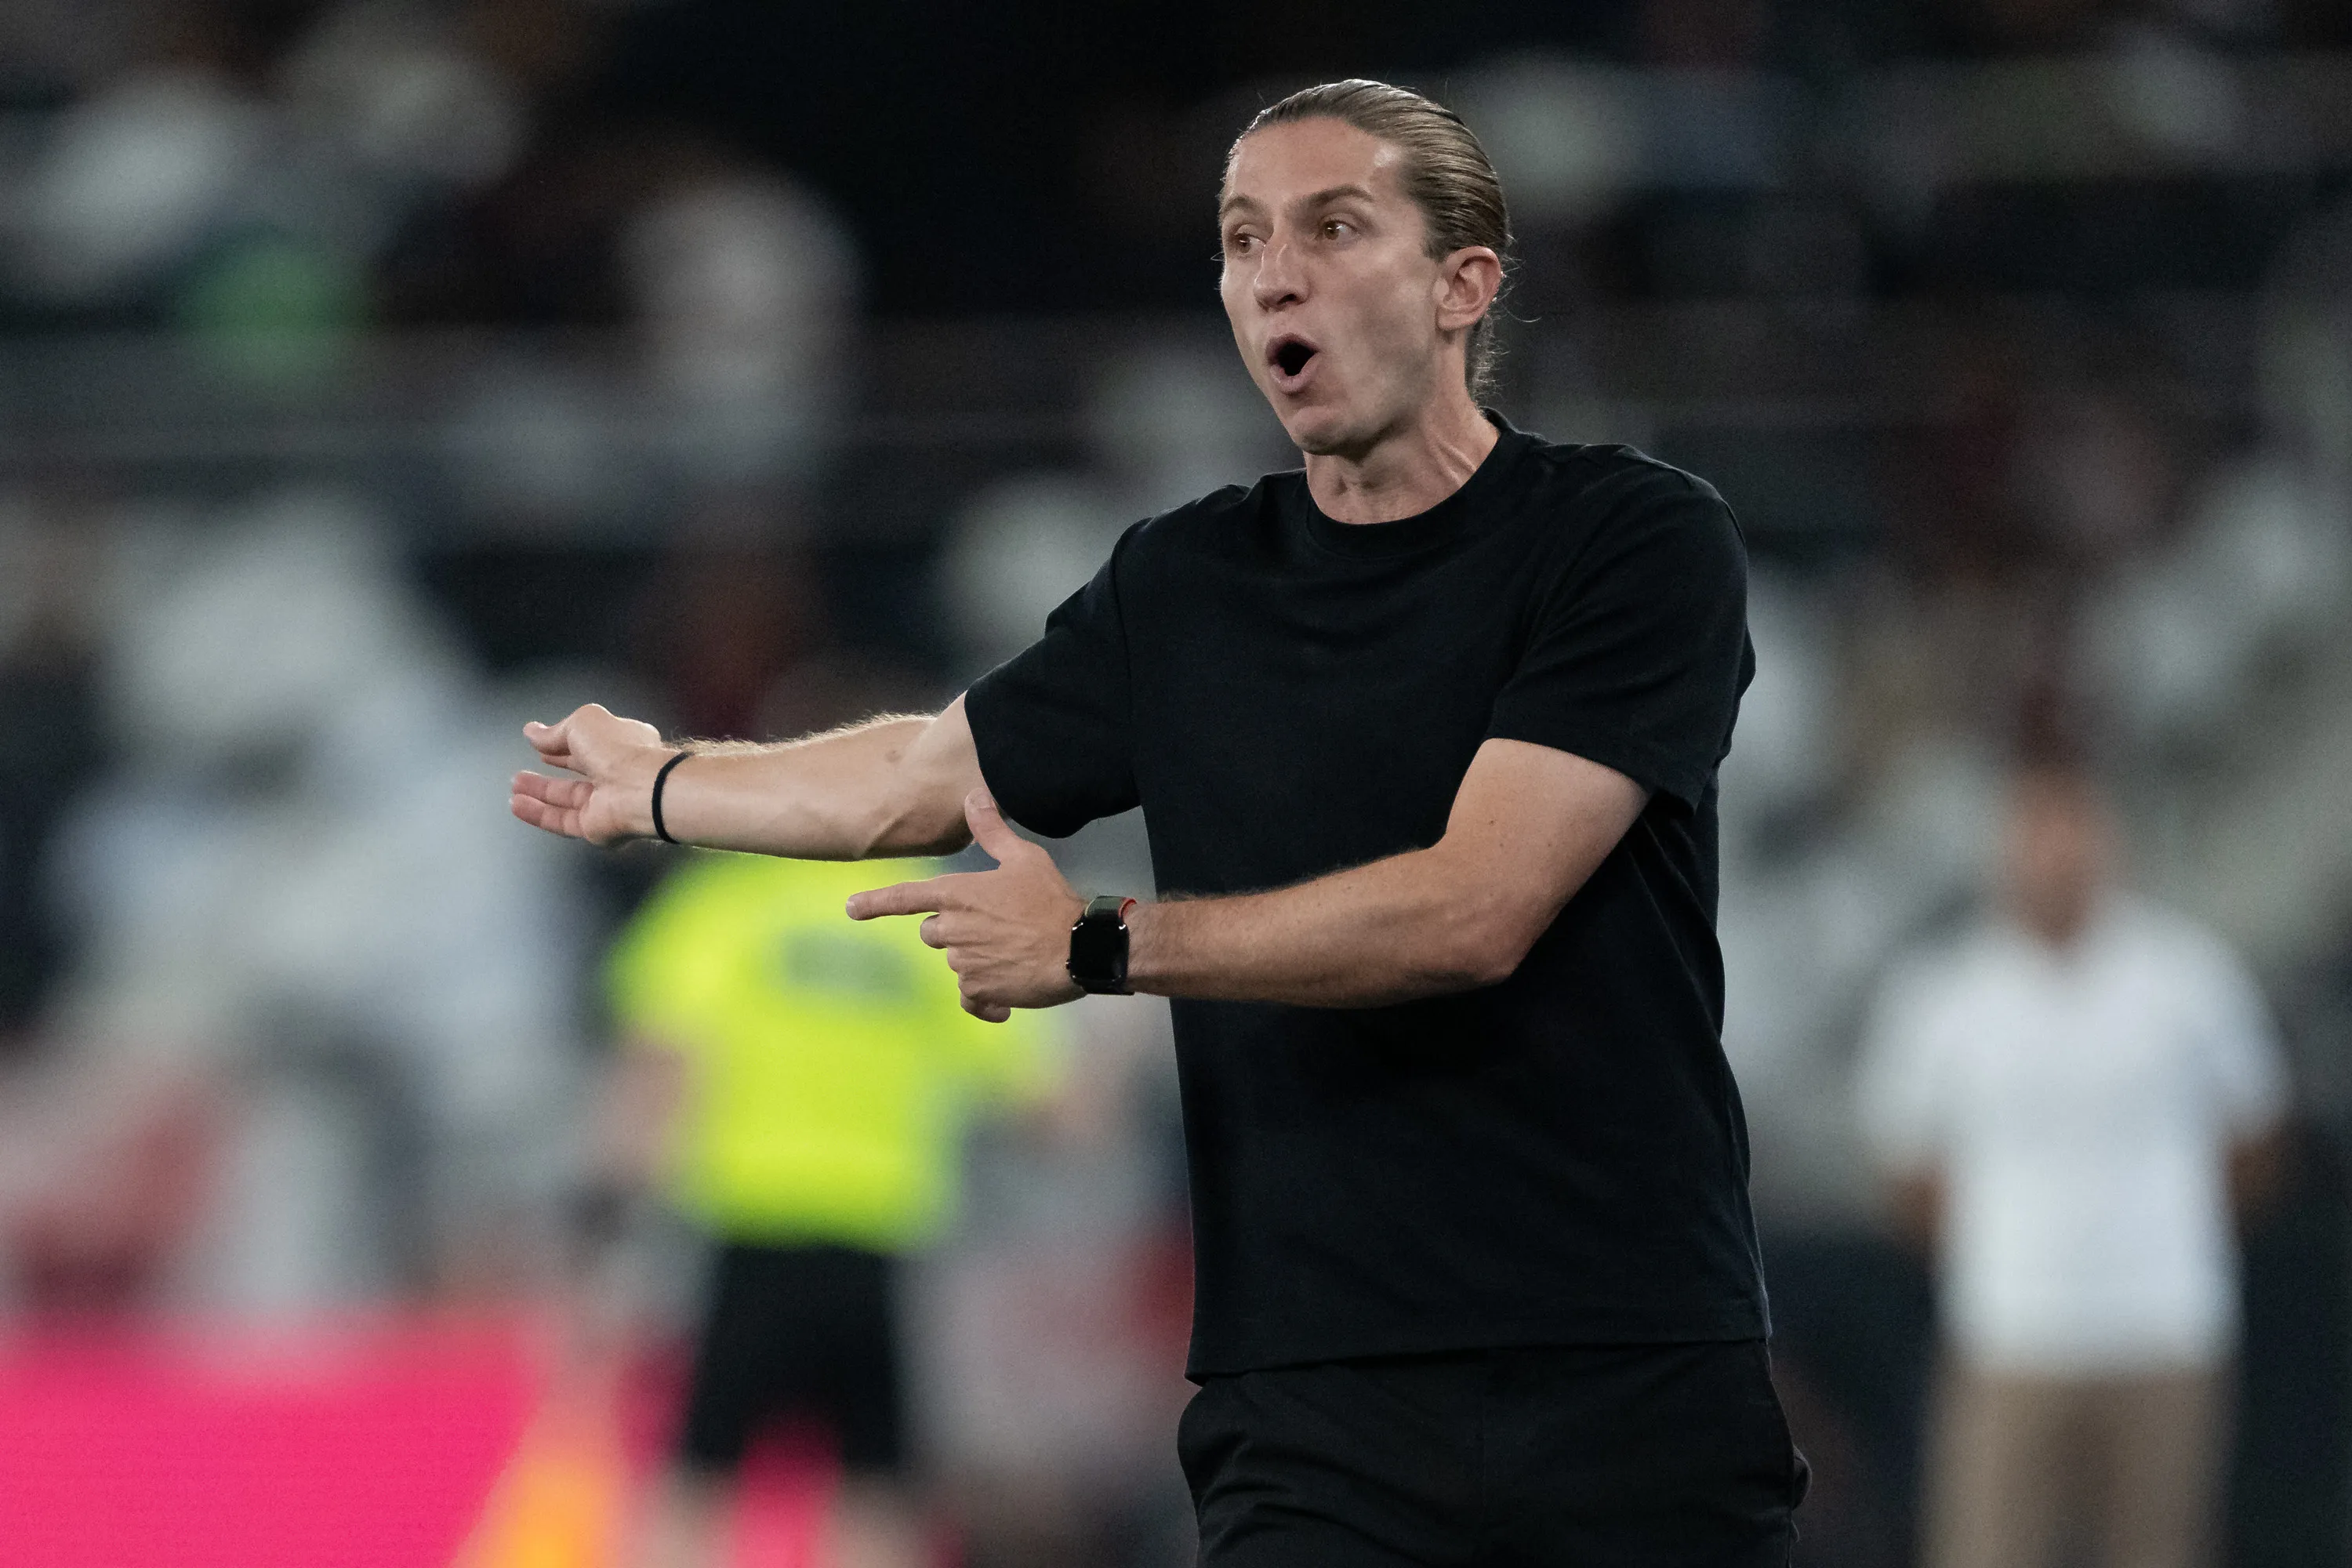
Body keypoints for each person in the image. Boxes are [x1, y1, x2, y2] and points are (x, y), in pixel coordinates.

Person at [514, 79, 1803, 1564]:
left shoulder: (1626, 541)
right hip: (1308, 1404)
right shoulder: (1188, 587)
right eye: (1243, 238)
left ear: (1466, 285)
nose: (1276, 272)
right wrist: (666, 784)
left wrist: (1101, 944)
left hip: (1618, 1373)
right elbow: (911, 779)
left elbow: (1477, 908)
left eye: (1333, 226)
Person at [1856, 762, 2288, 1568]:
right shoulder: (1945, 994)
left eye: (2073, 834)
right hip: (2010, 1332)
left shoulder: (2189, 978)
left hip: (2164, 1326)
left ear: (2109, 843)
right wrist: (2011, 1245)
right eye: (2036, 837)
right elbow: (1909, 1174)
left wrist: (2162, 1232)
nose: (2056, 858)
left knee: (2159, 1544)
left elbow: (2257, 1143)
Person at [593, 849, 1058, 1568]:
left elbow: (661, 1063)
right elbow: (1045, 1100)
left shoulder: (727, 903)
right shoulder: (937, 917)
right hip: (878, 1235)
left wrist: (613, 1204)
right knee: (878, 1481)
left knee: (698, 1474)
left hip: (753, 1228)